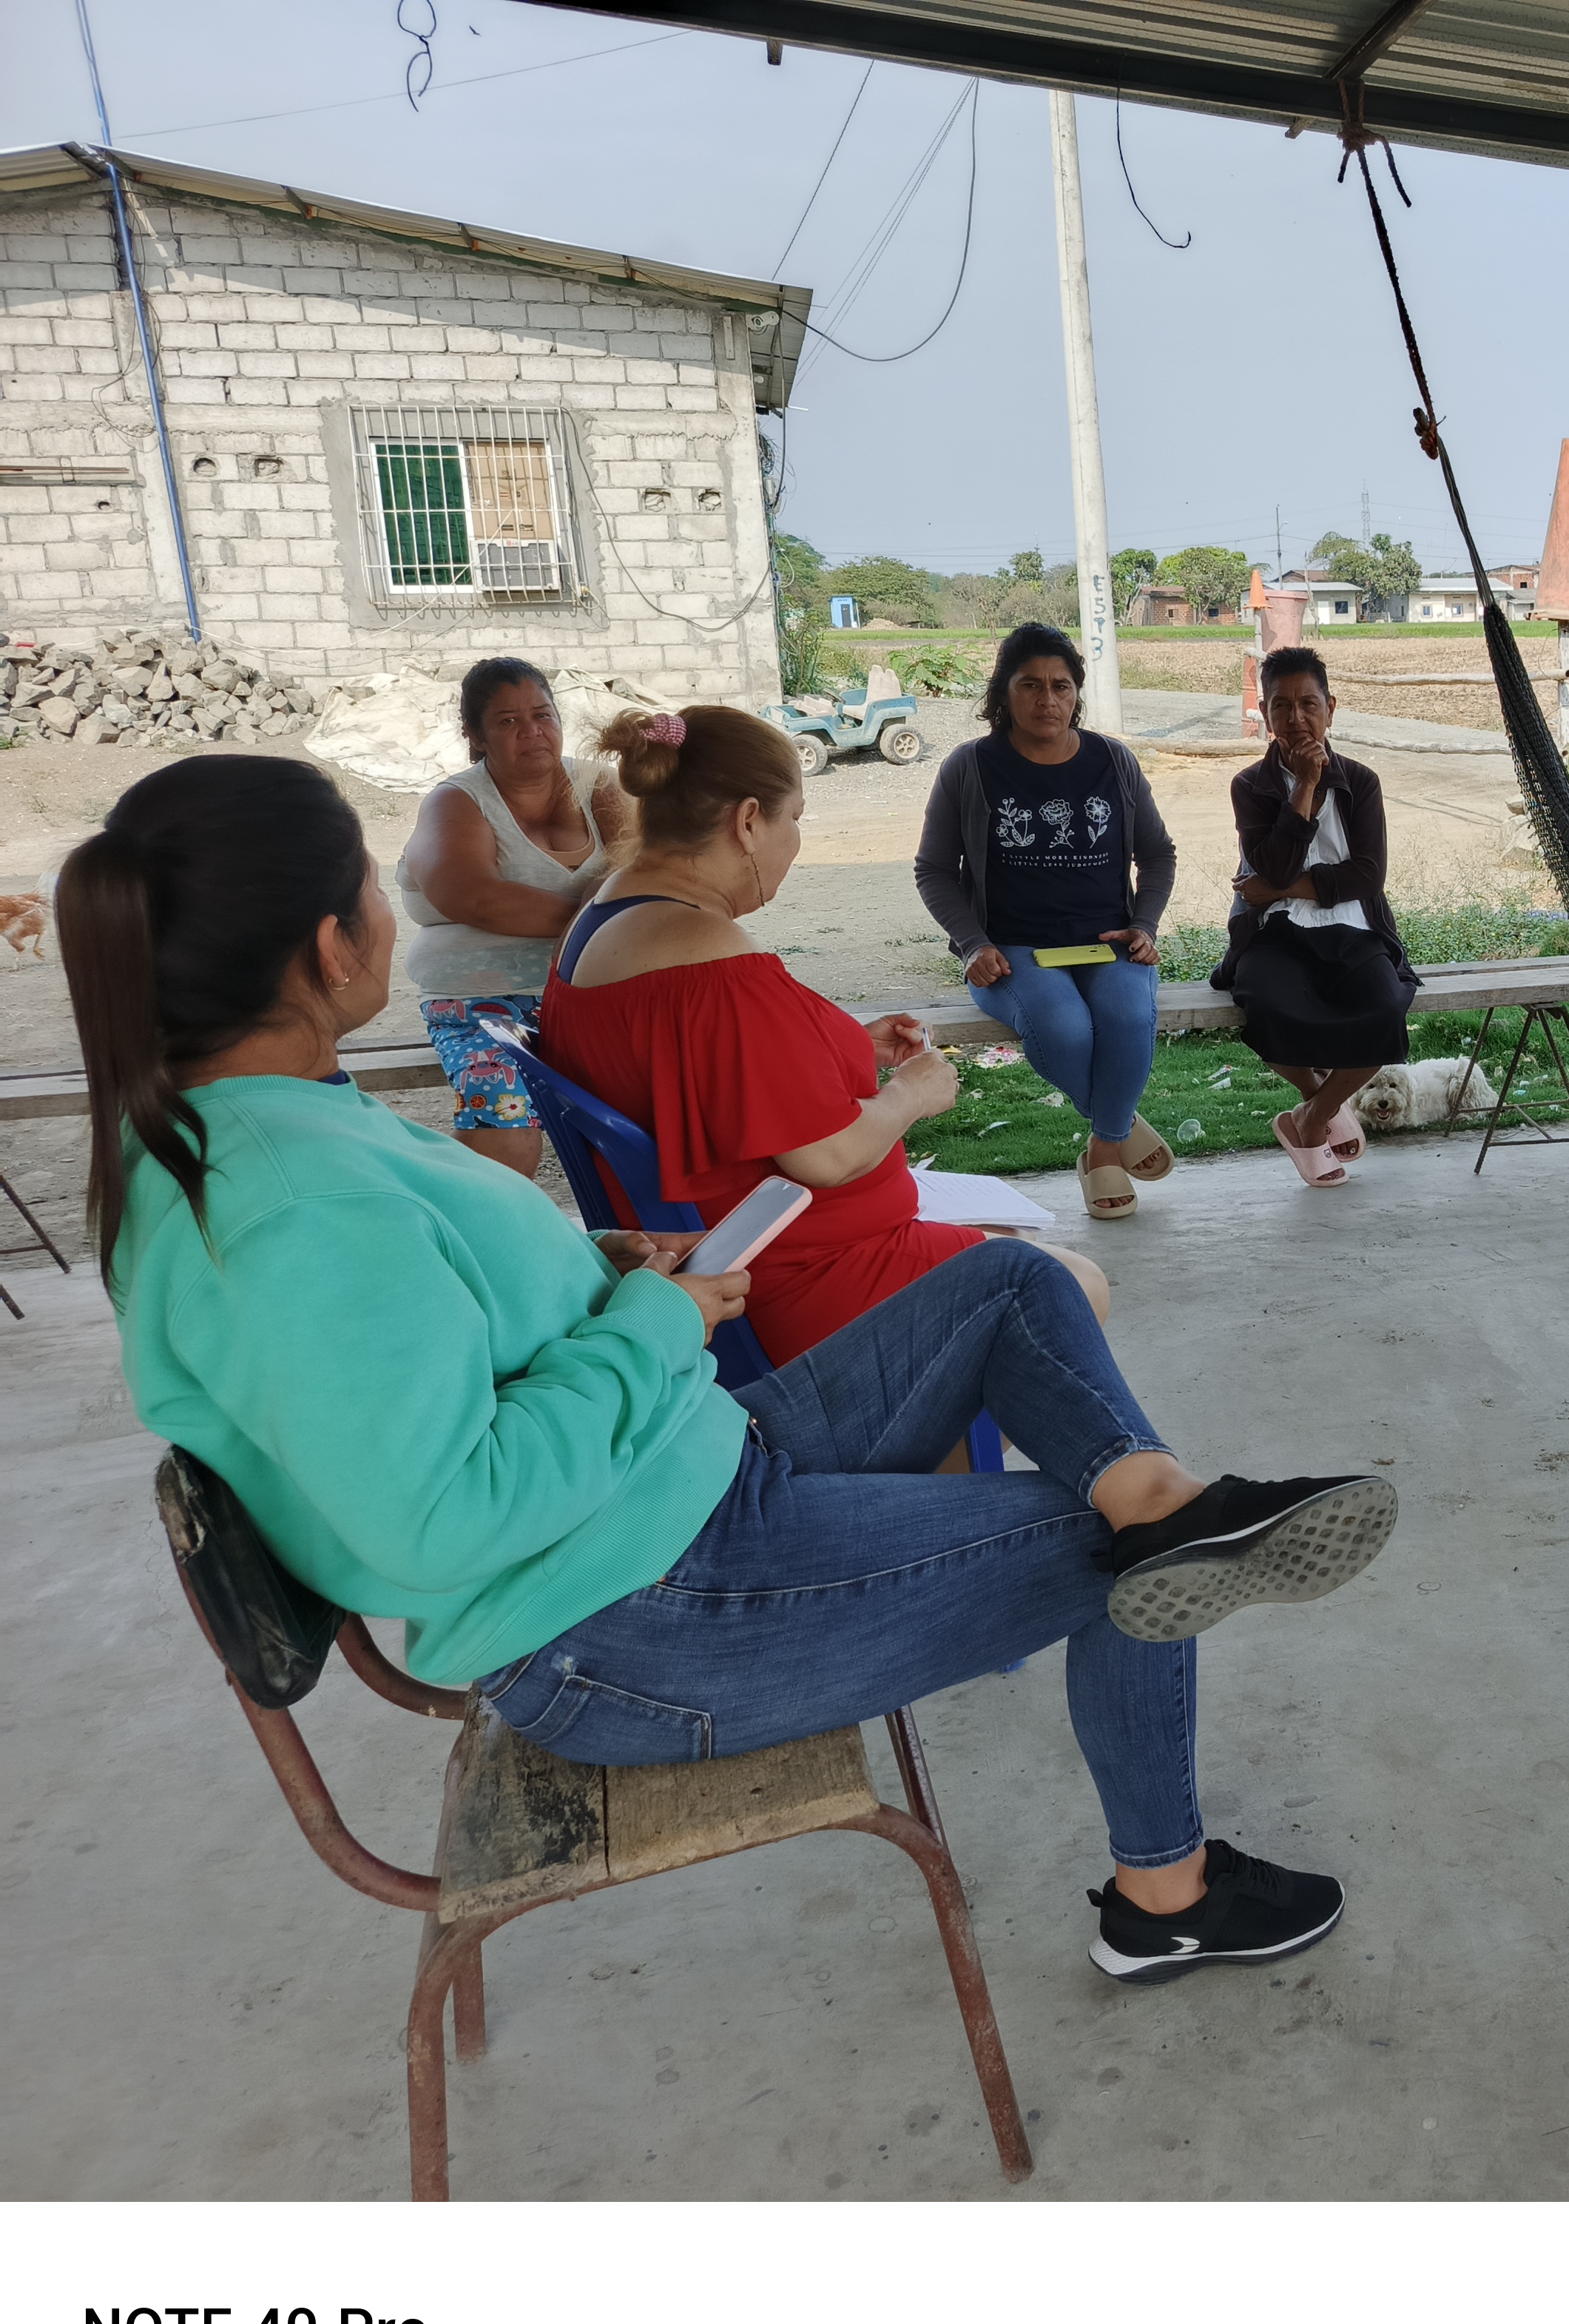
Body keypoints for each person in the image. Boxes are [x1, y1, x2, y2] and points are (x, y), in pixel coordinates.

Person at [61, 755, 1402, 1985]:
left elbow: (432, 1317)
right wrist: (651, 1322)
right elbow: (440, 1515)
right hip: (625, 1612)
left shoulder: (268, 1125)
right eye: (373, 884)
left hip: (672, 1475)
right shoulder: (292, 1205)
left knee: (1013, 1282)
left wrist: (596, 1267)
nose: (387, 910)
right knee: (1121, 1565)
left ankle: (1159, 1494)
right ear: (325, 943)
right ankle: (1164, 1895)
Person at [537, 705, 1107, 1368]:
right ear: (749, 821)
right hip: (793, 1276)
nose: (795, 840)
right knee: (1074, 1284)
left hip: (743, 1242)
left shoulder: (607, 911)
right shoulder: (709, 957)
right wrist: (912, 1093)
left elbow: (705, 1060)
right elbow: (828, 1159)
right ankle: (911, 1432)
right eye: (796, 818)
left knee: (1007, 1235)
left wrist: (843, 1047)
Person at [914, 624, 1177, 1222]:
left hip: (1109, 941)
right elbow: (934, 870)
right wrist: (972, 944)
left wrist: (1145, 925)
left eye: (1061, 686)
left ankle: (1103, 1146)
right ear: (1003, 693)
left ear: (1076, 693)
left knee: (1128, 1014)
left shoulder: (1114, 761)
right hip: (1011, 950)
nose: (1047, 699)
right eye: (1029, 685)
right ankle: (1118, 1127)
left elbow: (1157, 854)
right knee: (1063, 1026)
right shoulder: (970, 767)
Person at [396, 657, 629, 1178]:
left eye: (543, 715)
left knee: (669, 1096)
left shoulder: (598, 785)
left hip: (587, 996)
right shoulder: (456, 802)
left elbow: (643, 870)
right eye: (508, 721)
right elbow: (473, 898)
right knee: (508, 1126)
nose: (532, 731)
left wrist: (614, 904)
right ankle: (478, 1225)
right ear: (475, 735)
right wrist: (599, 915)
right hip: (480, 1004)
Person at [1217, 646, 1418, 1185]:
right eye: (1281, 706)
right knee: (1266, 1007)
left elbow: (1366, 876)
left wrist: (1278, 888)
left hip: (1352, 924)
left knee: (1384, 1013)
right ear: (1265, 713)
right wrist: (1304, 786)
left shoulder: (1362, 781)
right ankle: (1320, 1102)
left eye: (1309, 704)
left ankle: (1311, 1118)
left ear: (1331, 708)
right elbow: (1275, 862)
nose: (1296, 718)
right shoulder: (1250, 786)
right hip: (1274, 930)